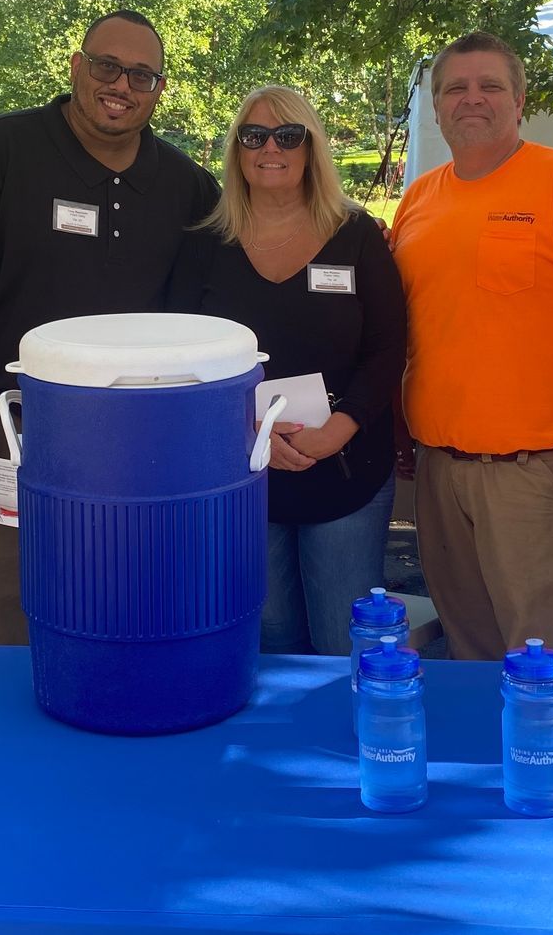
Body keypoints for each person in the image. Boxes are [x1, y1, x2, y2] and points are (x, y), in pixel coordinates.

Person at [0, 9, 218, 645]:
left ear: (159, 89)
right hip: (1, 426)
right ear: (77, 68)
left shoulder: (185, 186)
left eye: (141, 75)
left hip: (126, 439)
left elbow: (210, 317)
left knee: (108, 595)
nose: (120, 85)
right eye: (106, 66)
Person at [391, 31, 553, 662]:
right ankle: (483, 765)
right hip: (438, 470)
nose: (471, 99)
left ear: (520, 100)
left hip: (539, 473)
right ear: (436, 105)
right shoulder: (420, 199)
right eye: (456, 87)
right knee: (470, 652)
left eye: (490, 86)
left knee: (546, 660)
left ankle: (551, 765)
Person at [169, 86, 407, 655]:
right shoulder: (203, 245)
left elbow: (387, 348)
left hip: (346, 468)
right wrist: (245, 433)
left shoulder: (357, 237)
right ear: (236, 150)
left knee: (342, 643)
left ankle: (346, 745)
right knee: (269, 639)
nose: (269, 148)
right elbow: (180, 358)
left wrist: (340, 428)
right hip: (243, 471)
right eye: (253, 136)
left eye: (287, 135)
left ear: (311, 148)